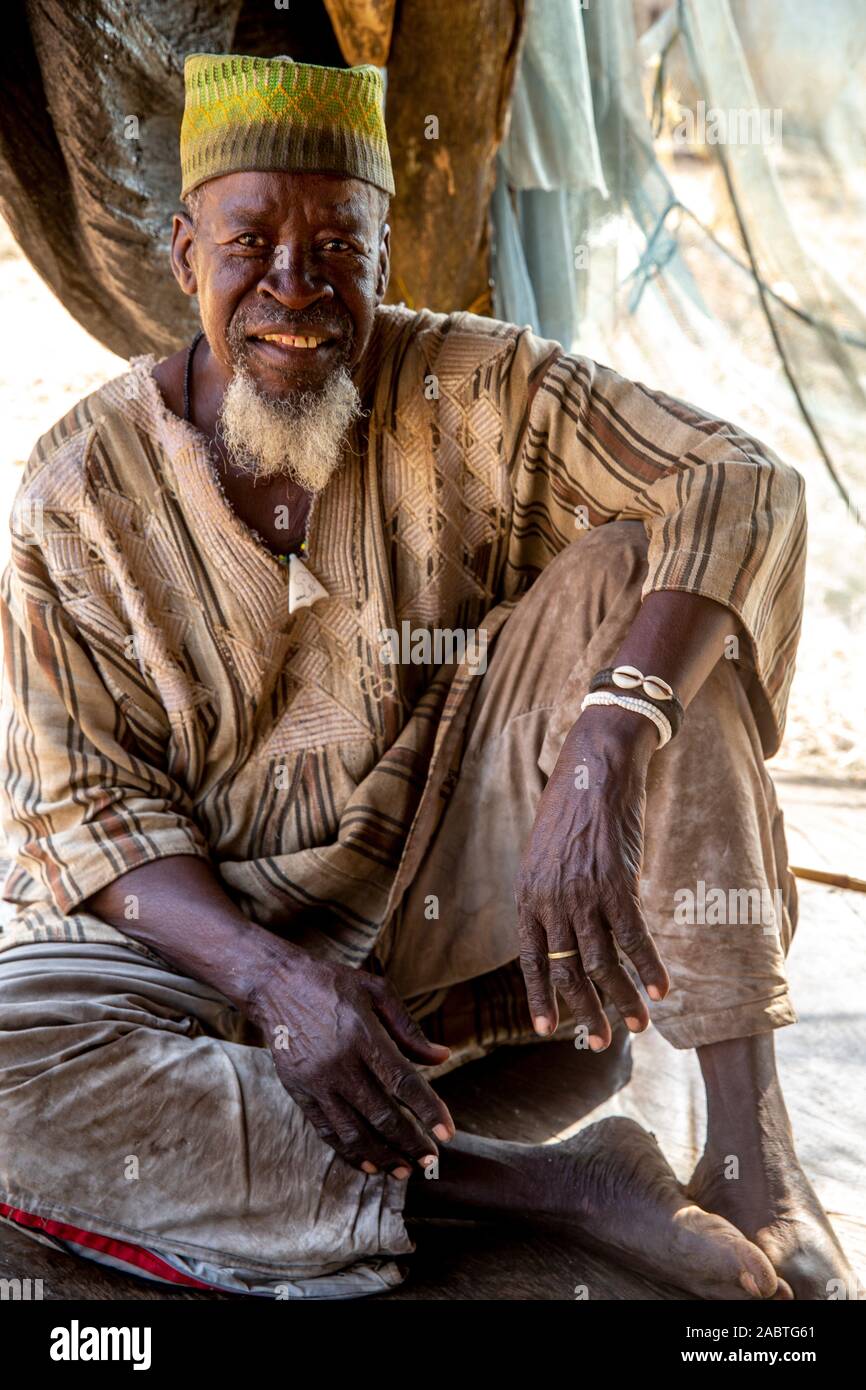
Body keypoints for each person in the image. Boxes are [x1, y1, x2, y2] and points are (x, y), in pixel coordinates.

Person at [0, 52, 852, 1300]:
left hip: (445, 926)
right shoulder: (76, 490)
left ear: (384, 252)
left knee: (655, 590)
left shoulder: (474, 385)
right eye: (250, 245)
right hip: (200, 958)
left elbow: (738, 483)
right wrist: (280, 981)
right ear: (184, 254)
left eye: (335, 246)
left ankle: (748, 1155)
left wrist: (607, 743)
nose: (294, 288)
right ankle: (545, 1183)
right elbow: (84, 815)